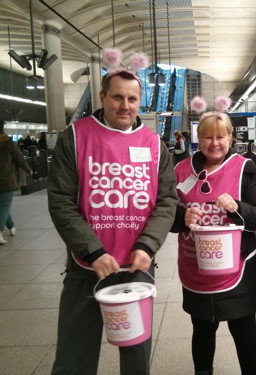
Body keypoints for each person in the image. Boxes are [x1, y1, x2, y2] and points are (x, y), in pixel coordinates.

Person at [47, 68, 178, 375]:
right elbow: (61, 200)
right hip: (87, 265)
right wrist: (92, 250)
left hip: (136, 265)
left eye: (133, 99)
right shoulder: (76, 136)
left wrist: (148, 246)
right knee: (74, 354)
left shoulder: (154, 144)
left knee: (136, 356)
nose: (125, 105)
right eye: (117, 97)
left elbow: (167, 200)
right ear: (103, 97)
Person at [170, 109, 256, 375]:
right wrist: (182, 217)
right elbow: (164, 214)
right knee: (202, 327)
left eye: (220, 136)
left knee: (244, 328)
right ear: (198, 139)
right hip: (196, 268)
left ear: (230, 137)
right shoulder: (181, 170)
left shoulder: (245, 169)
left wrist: (237, 207)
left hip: (238, 268)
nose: (214, 143)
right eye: (207, 137)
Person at [0, 119, 33, 244]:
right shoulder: (8, 143)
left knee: (3, 206)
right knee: (3, 206)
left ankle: (11, 226)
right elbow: (19, 159)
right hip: (7, 181)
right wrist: (29, 171)